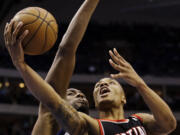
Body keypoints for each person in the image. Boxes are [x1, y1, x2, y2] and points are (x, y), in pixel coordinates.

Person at [4, 7, 176, 135]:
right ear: (94, 102)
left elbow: (168, 124)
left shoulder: (138, 120)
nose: (103, 84)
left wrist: (140, 84)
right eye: (98, 85)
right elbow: (53, 101)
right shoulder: (86, 124)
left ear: (124, 97)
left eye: (110, 82)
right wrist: (20, 64)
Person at [4, 0, 99, 134]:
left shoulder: (101, 129)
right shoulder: (49, 118)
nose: (80, 95)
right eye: (71, 93)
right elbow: (66, 49)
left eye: (80, 94)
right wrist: (19, 63)